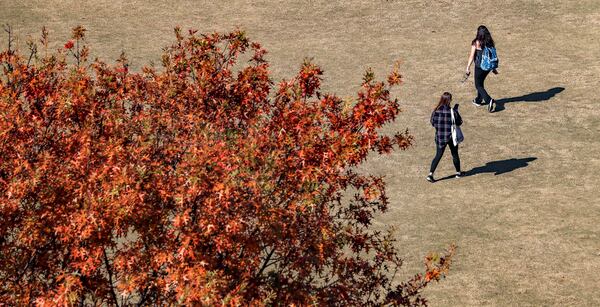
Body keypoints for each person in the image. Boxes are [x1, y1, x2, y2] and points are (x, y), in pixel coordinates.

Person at [427, 92, 463, 182]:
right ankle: (458, 173)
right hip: (451, 137)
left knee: (438, 155)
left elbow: (432, 122)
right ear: (449, 100)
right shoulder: (452, 111)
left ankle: (430, 174)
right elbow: (459, 122)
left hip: (440, 137)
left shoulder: (435, 111)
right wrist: (456, 111)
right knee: (455, 154)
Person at [465, 25, 498, 111]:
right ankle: (478, 100)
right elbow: (491, 55)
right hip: (487, 68)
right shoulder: (490, 42)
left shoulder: (476, 42)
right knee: (481, 83)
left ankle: (488, 100)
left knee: (478, 85)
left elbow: (471, 56)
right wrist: (493, 68)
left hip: (480, 67)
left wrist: (468, 67)